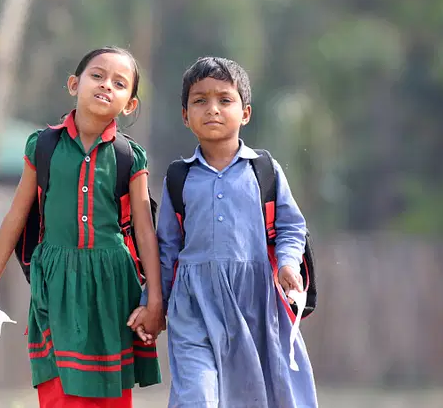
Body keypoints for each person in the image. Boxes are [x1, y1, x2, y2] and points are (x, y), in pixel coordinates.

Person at [0, 46, 164, 408]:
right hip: (55, 283)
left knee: (109, 397)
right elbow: (16, 216)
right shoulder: (42, 146)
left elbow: (146, 230)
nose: (106, 85)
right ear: (74, 83)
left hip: (112, 287)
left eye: (119, 83)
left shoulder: (130, 157)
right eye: (97, 75)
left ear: (130, 105)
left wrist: (154, 297)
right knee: (57, 393)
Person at [131, 56, 318, 407]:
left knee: (259, 396)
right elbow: (167, 249)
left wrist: (288, 264)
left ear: (245, 113)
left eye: (224, 100)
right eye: (200, 101)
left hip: (257, 303)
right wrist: (151, 304)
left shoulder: (264, 170)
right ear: (185, 116)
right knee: (197, 396)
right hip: (194, 305)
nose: (212, 109)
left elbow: (291, 226)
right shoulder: (178, 177)